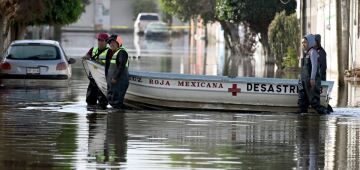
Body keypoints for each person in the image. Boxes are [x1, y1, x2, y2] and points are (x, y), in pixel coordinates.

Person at [298, 34, 329, 114]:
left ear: (310, 42)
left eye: (304, 42)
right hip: (304, 81)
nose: (303, 44)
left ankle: (326, 113)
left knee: (314, 102)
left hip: (311, 81)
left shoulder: (313, 52)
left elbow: (315, 66)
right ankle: (302, 121)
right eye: (302, 43)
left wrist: (312, 78)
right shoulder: (307, 53)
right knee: (302, 102)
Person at [83, 33, 110, 109]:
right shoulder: (93, 49)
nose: (100, 42)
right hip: (93, 81)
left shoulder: (109, 52)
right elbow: (87, 55)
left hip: (103, 82)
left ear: (106, 42)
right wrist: (86, 57)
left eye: (102, 40)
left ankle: (102, 117)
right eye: (99, 40)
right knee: (90, 102)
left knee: (103, 104)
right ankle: (91, 118)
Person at [105, 34, 129, 110]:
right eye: (110, 43)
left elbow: (121, 66)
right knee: (113, 101)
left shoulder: (122, 52)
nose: (111, 44)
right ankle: (116, 117)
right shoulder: (115, 52)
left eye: (113, 42)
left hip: (119, 81)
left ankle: (118, 118)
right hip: (114, 83)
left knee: (117, 103)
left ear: (118, 43)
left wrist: (115, 77)